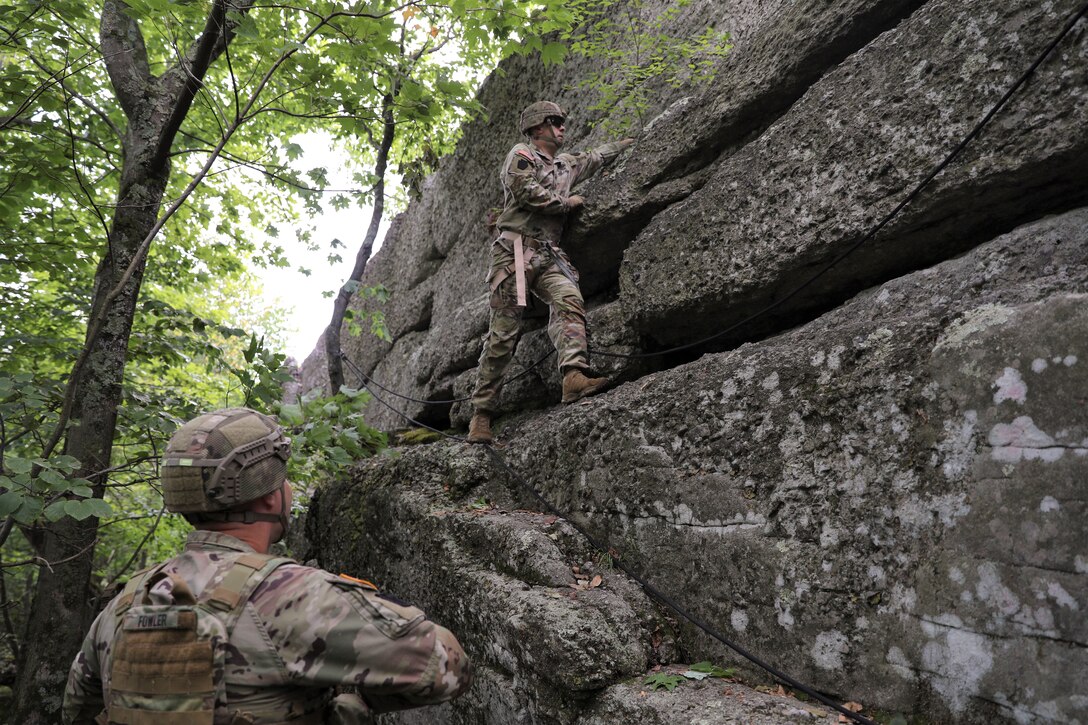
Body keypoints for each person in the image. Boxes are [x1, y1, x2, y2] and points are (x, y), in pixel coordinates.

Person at [62, 407, 472, 724]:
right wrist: (349, 698)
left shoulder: (124, 604)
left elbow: (80, 710)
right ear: (271, 499)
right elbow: (446, 667)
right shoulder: (296, 595)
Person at [467, 101, 635, 444]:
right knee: (503, 335)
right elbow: (523, 189)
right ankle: (481, 415)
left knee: (569, 299)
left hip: (548, 255)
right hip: (513, 254)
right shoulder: (522, 153)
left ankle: (573, 375)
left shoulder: (564, 164)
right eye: (555, 121)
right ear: (537, 127)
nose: (562, 127)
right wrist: (565, 204)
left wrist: (629, 143)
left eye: (563, 122)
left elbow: (595, 157)